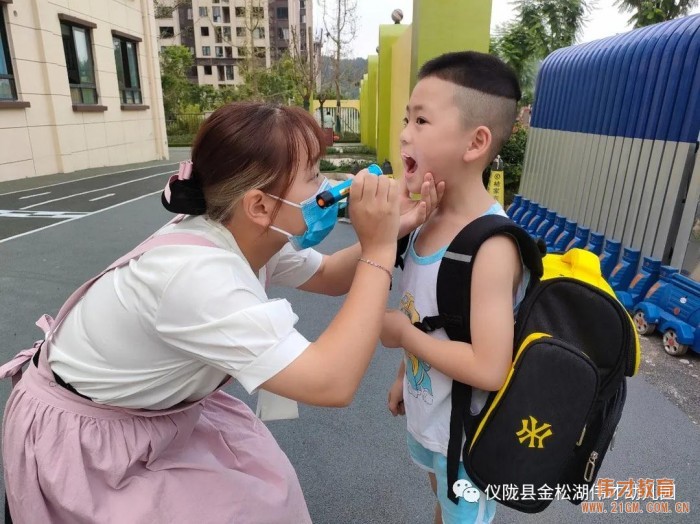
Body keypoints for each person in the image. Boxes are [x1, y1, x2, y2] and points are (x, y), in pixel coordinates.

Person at [0, 102, 442, 523]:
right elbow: (331, 381)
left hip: (154, 411)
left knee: (268, 487)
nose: (329, 187)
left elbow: (327, 274)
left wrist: (395, 229)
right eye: (312, 177)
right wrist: (380, 248)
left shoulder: (244, 231)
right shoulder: (198, 276)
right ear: (261, 205)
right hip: (92, 439)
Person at [380, 52, 528, 524]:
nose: (405, 132)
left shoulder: (491, 246)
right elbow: (426, 312)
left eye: (421, 120)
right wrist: (406, 374)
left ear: (476, 142)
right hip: (434, 425)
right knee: (440, 504)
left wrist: (405, 337)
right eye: (407, 118)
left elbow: (489, 368)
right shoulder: (425, 221)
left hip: (470, 442)